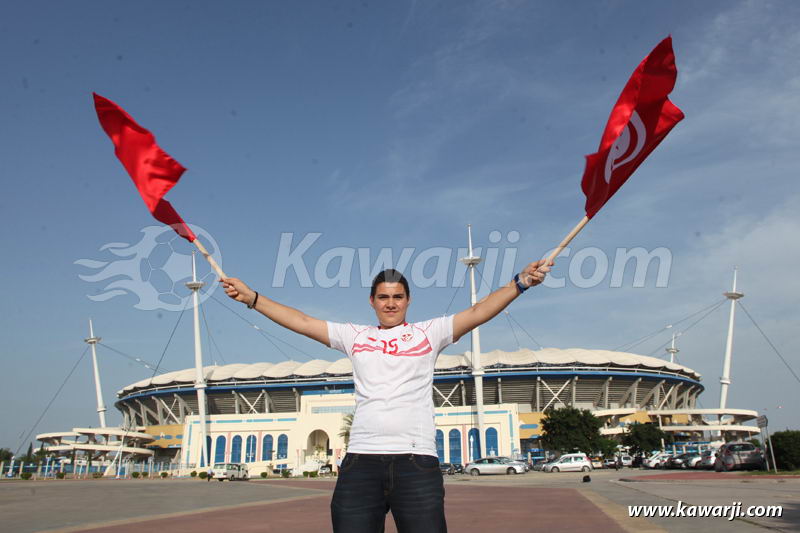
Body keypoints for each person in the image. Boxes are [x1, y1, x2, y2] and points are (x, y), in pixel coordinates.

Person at [221, 259, 551, 533]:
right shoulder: (354, 336)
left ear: (408, 301)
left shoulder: (429, 333)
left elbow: (478, 312)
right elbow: (303, 321)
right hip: (360, 465)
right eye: (383, 297)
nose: (390, 303)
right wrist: (253, 298)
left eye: (397, 297)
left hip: (416, 464)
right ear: (372, 301)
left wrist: (519, 283)